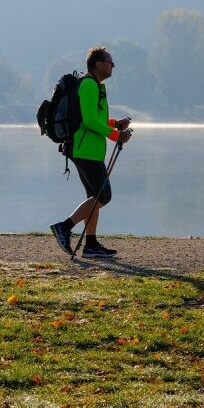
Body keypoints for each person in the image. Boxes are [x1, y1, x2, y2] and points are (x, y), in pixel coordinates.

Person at [50, 46, 131, 258]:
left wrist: (115, 124)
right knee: (103, 195)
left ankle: (91, 245)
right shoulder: (88, 85)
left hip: (90, 150)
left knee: (94, 197)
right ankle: (64, 227)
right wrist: (115, 135)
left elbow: (96, 118)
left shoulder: (95, 85)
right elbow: (89, 120)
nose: (113, 65)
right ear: (98, 64)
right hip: (84, 149)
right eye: (109, 61)